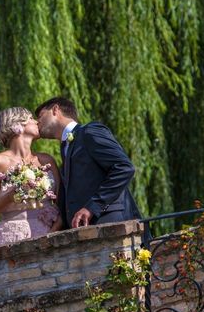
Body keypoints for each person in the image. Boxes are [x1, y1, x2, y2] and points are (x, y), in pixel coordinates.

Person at [35, 97, 142, 229]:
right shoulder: (65, 148)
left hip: (109, 222)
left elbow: (124, 168)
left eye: (40, 116)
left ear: (55, 110)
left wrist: (92, 207)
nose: (37, 122)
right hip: (84, 231)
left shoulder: (89, 132)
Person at [0, 107, 63, 250]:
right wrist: (11, 197)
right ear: (16, 125)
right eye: (31, 118)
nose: (37, 122)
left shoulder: (46, 160)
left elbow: (61, 203)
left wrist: (55, 230)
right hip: (11, 240)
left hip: (50, 235)